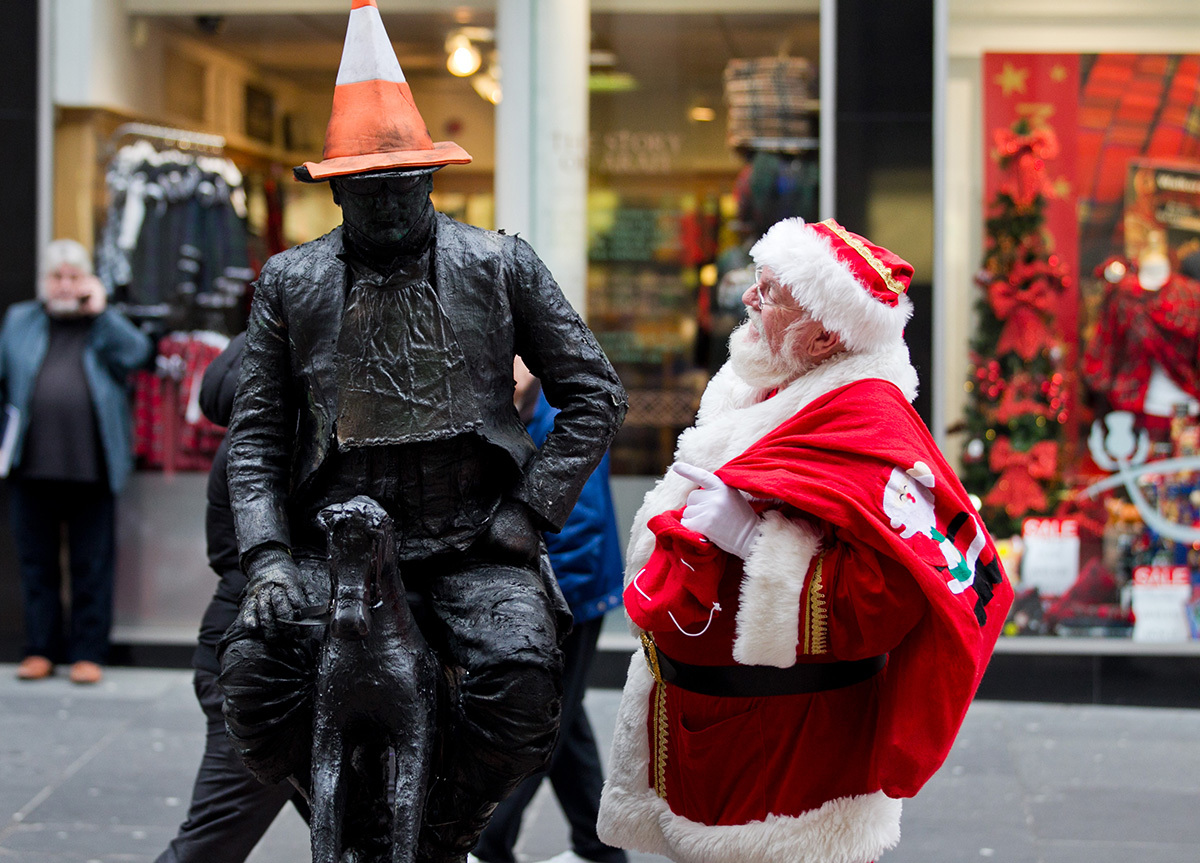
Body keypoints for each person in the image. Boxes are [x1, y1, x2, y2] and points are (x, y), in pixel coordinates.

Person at [217, 4, 627, 863]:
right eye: (370, 188)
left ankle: (438, 832)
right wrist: (264, 558)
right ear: (336, 189)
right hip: (336, 550)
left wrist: (532, 512)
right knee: (251, 682)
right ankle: (357, 826)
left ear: (433, 179)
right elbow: (254, 435)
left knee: (522, 697)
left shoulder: (499, 265)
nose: (392, 201)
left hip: (474, 541)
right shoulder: (290, 283)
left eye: (406, 183)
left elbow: (595, 392)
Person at [596, 218, 1014, 863]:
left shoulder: (868, 420)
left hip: (788, 748)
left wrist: (749, 540)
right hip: (713, 728)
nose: (749, 301)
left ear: (822, 336)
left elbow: (887, 599)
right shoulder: (756, 383)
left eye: (769, 293)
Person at [155, 332, 311, 863]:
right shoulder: (274, 446)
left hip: (279, 655)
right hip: (264, 666)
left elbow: (224, 553)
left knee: (379, 839)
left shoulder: (261, 432)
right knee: (210, 843)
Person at [471, 361, 628, 863]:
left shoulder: (561, 412)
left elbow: (577, 527)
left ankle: (490, 843)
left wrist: (539, 601)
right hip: (538, 592)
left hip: (568, 599)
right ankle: (599, 846)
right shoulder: (506, 409)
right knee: (564, 717)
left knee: (538, 723)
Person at [0, 238, 152, 684]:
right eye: (57, 277)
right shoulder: (19, 320)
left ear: (86, 281)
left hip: (91, 465)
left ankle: (88, 653)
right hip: (31, 465)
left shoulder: (101, 323)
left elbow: (139, 355)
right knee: (36, 565)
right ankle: (40, 650)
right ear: (44, 282)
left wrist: (101, 312)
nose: (65, 286)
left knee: (92, 564)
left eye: (73, 277)